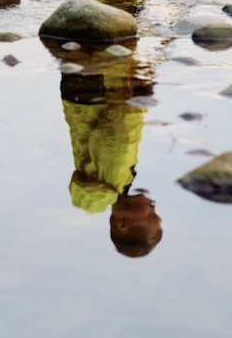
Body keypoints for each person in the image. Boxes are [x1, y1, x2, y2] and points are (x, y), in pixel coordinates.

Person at [60, 58, 164, 258]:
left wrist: (138, 97)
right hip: (78, 101)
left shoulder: (114, 182)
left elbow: (118, 135)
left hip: (98, 93)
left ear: (122, 222)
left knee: (108, 43)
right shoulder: (117, 184)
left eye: (149, 215)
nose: (153, 206)